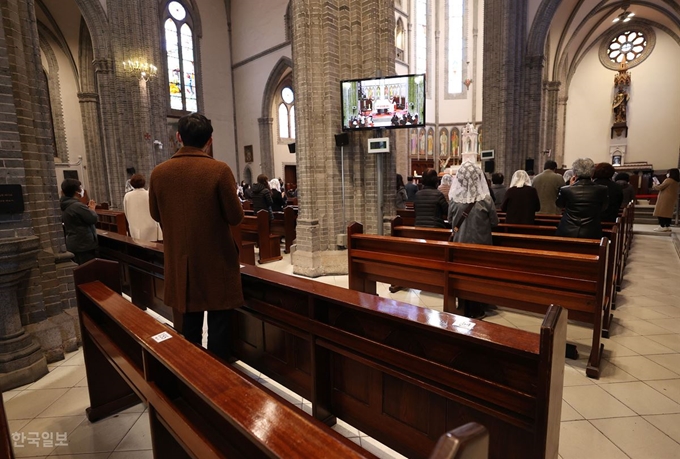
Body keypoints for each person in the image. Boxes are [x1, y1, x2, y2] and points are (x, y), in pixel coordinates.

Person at [149, 113, 244, 360]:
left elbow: (155, 214)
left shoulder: (159, 173)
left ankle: (190, 379)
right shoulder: (219, 170)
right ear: (209, 140)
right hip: (217, 262)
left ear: (178, 137)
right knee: (219, 327)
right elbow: (235, 217)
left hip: (181, 262)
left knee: (188, 327)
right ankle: (218, 381)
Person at [448, 161, 498, 318]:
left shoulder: (454, 200)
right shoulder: (486, 200)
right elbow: (494, 222)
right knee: (478, 276)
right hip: (480, 245)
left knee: (461, 275)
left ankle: (462, 305)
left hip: (460, 244)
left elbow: (450, 221)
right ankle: (478, 307)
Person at [555, 158, 608, 239]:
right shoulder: (602, 189)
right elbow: (604, 208)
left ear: (575, 173)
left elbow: (560, 204)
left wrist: (570, 186)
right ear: (592, 173)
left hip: (567, 229)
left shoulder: (565, 189)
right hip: (591, 230)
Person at [60, 178, 98, 265]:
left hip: (74, 242)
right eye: (80, 187)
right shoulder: (77, 206)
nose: (82, 189)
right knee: (87, 269)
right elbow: (93, 219)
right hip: (83, 244)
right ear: (76, 191)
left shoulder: (65, 204)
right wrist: (92, 210)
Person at [123, 174, 162, 241]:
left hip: (135, 228)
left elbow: (126, 212)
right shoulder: (148, 194)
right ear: (144, 183)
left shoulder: (127, 196)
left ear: (132, 184)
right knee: (153, 248)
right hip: (151, 227)